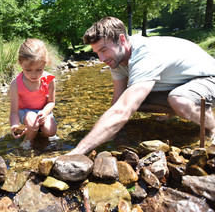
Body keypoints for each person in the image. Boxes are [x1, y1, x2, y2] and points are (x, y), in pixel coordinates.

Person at [68, 16, 215, 155]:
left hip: (207, 78)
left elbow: (121, 112)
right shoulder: (117, 60)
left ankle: (212, 127)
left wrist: (77, 151)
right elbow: (118, 103)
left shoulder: (145, 54)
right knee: (133, 100)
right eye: (96, 53)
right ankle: (176, 111)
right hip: (180, 82)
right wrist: (111, 133)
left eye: (104, 50)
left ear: (122, 40)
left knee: (179, 100)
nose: (101, 59)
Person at [9, 39, 57, 148]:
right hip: (25, 113)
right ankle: (27, 141)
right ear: (20, 63)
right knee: (32, 121)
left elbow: (51, 102)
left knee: (51, 130)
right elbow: (14, 111)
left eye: (39, 69)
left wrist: (44, 112)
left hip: (44, 112)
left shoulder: (49, 80)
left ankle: (43, 137)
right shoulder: (15, 84)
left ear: (45, 63)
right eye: (28, 70)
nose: (34, 75)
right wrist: (15, 125)